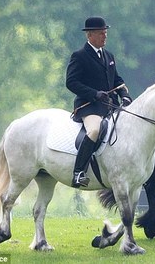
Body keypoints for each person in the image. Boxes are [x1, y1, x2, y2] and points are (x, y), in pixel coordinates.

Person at [66, 16, 132, 187]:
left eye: (105, 33)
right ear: (90, 35)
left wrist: (124, 94)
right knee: (94, 131)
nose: (105, 36)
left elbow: (117, 79)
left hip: (110, 106)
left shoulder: (108, 55)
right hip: (89, 106)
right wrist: (94, 94)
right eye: (101, 33)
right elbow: (71, 82)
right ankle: (78, 172)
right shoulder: (79, 56)